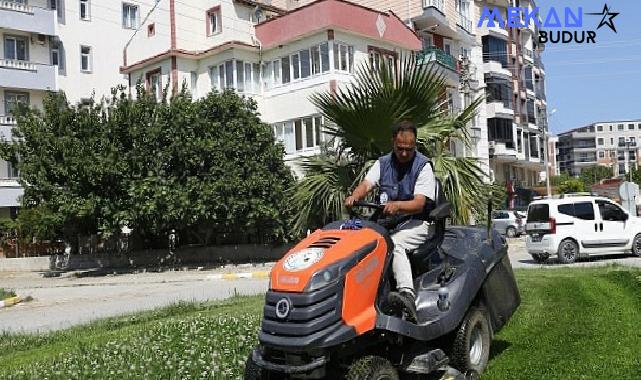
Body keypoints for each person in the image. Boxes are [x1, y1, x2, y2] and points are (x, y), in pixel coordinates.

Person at [345, 121, 437, 323]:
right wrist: (355, 196)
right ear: (393, 143)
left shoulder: (423, 167)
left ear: (415, 145)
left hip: (418, 223)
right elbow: (367, 184)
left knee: (393, 245)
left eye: (409, 149)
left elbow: (419, 204)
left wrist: (397, 206)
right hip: (390, 223)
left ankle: (407, 295)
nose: (404, 153)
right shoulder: (383, 163)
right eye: (400, 148)